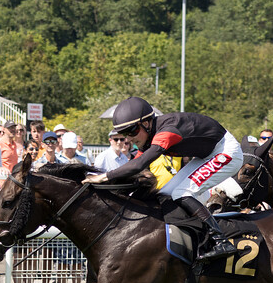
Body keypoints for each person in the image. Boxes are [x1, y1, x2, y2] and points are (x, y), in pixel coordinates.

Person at [82, 96, 242, 261]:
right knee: (165, 193)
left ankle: (220, 241)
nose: (128, 139)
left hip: (226, 151)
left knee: (182, 193)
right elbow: (136, 165)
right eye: (123, 134)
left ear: (146, 123)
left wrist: (105, 177)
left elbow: (139, 164)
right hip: (206, 154)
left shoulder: (167, 131)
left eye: (131, 131)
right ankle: (193, 237)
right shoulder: (148, 136)